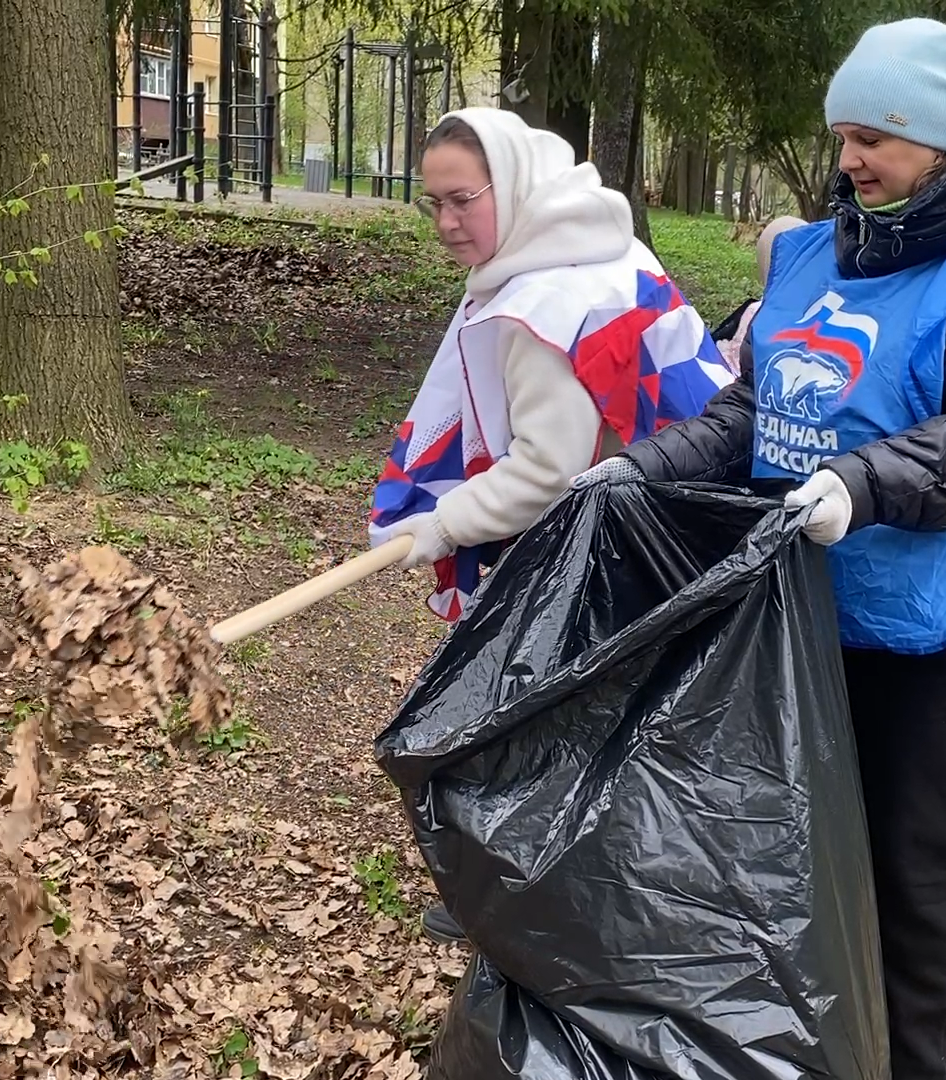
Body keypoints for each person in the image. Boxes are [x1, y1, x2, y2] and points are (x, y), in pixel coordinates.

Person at [577, 18, 946, 1080]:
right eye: (843, 136)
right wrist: (642, 469)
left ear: (944, 143)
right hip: (808, 607)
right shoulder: (815, 253)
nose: (848, 159)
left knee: (911, 880)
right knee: (799, 860)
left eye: (875, 138)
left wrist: (861, 484)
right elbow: (752, 410)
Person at [367, 107, 735, 944]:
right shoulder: (597, 245)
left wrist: (441, 524)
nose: (447, 224)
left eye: (462, 200)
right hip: (679, 520)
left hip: (621, 537)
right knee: (604, 717)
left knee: (541, 717)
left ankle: (536, 904)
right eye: (432, 205)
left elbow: (546, 469)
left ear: (516, 184)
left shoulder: (543, 304)